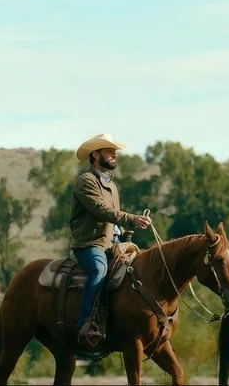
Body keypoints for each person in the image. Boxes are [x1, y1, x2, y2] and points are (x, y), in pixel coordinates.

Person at [67, 134, 154, 348]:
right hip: (91, 244)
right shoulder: (86, 181)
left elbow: (112, 217)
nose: (114, 155)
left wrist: (124, 233)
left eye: (114, 151)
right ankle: (86, 322)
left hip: (113, 244)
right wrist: (132, 219)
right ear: (95, 155)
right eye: (109, 151)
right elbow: (102, 211)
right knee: (98, 270)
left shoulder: (111, 185)